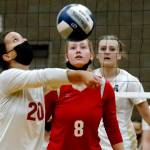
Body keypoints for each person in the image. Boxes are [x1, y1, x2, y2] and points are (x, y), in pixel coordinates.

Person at [0, 31, 101, 150]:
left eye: (23, 37)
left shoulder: (37, 86)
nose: (24, 40)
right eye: (15, 40)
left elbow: (53, 81)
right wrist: (80, 75)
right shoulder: (6, 78)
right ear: (7, 56)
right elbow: (45, 75)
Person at [45, 39, 124, 150]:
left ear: (91, 55)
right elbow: (37, 124)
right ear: (66, 56)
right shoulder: (55, 86)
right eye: (73, 48)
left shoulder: (103, 87)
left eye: (83, 47)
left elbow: (113, 129)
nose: (78, 51)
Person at [94, 35, 150, 150]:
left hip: (124, 144)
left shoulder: (130, 81)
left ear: (119, 55)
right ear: (97, 54)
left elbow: (147, 116)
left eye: (112, 49)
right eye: (103, 49)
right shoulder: (89, 79)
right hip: (95, 144)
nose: (107, 52)